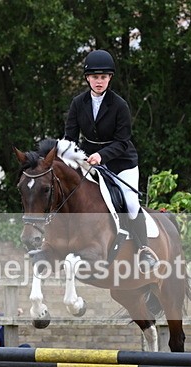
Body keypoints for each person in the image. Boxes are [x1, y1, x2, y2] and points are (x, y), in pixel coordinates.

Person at [63, 49, 158, 272]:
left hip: (121, 162)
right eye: (95, 77)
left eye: (103, 77)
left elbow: (123, 141)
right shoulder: (78, 103)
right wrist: (70, 157)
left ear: (110, 78)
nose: (99, 81)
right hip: (90, 162)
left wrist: (102, 156)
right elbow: (70, 137)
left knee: (132, 204)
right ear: (87, 78)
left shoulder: (119, 105)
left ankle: (144, 250)